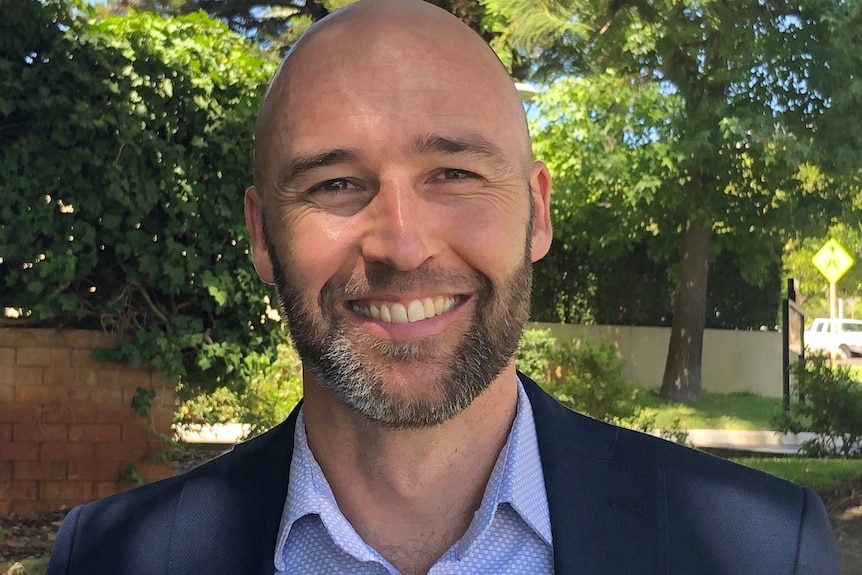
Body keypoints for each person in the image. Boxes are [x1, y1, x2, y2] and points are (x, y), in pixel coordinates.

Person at [47, 1, 839, 573]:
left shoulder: (766, 550)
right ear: (261, 234)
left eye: (454, 174)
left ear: (536, 211)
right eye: (333, 183)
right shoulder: (108, 558)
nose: (402, 243)